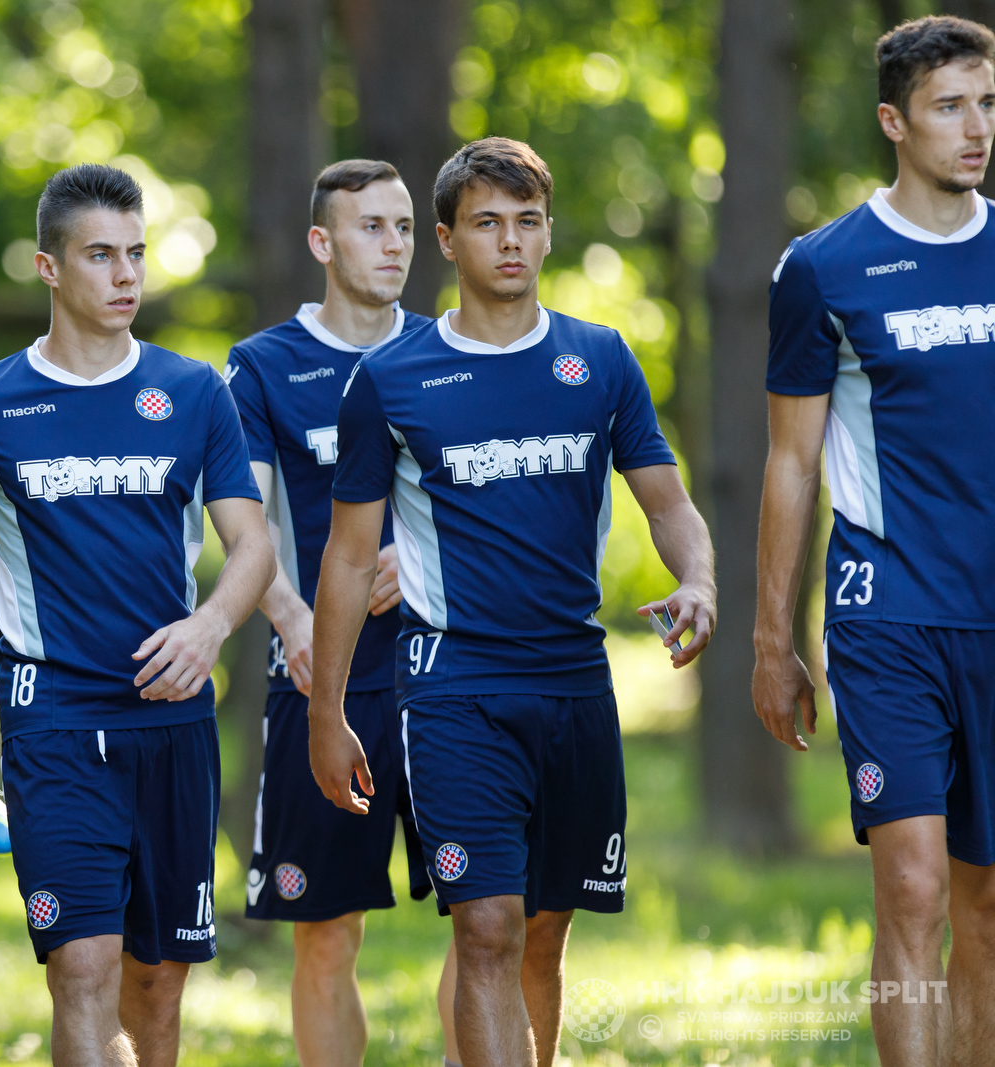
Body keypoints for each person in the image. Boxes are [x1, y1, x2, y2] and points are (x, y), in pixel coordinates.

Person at [309, 138, 716, 1067]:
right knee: (485, 926)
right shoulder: (391, 381)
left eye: (527, 221)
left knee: (541, 933)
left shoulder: (600, 360)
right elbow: (345, 558)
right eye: (487, 223)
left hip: (576, 684)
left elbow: (669, 502)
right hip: (453, 688)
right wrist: (327, 712)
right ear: (447, 241)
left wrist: (699, 579)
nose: (511, 242)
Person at [0, 163, 274, 1067]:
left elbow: (253, 546)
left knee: (158, 987)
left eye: (135, 253)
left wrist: (210, 624)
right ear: (48, 267)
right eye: (101, 255)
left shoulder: (193, 392)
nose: (126, 274)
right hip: (52, 720)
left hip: (172, 720)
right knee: (83, 967)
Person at [753, 17, 995, 1066]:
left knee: (985, 910)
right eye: (949, 106)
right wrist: (772, 638)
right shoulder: (823, 266)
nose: (975, 126)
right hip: (886, 611)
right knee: (912, 887)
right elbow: (791, 463)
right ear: (894, 121)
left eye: (986, 102)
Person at [224, 158, 437, 1067]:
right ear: (322, 242)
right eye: (370, 227)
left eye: (402, 227)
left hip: (446, 683)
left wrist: (421, 559)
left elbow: (498, 511)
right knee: (326, 933)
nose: (393, 246)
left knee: (492, 917)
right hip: (319, 686)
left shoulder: (450, 350)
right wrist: (296, 618)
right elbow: (242, 524)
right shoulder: (263, 366)